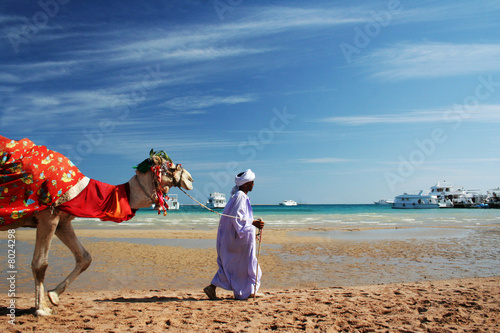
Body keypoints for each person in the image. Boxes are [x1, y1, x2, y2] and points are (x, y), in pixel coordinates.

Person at [204, 169, 265, 300]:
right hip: (238, 239)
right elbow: (237, 219)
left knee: (233, 265)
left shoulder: (239, 196)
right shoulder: (240, 197)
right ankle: (245, 291)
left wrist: (252, 224)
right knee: (245, 265)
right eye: (252, 182)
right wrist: (253, 223)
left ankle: (213, 287)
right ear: (245, 184)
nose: (253, 185)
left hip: (236, 238)